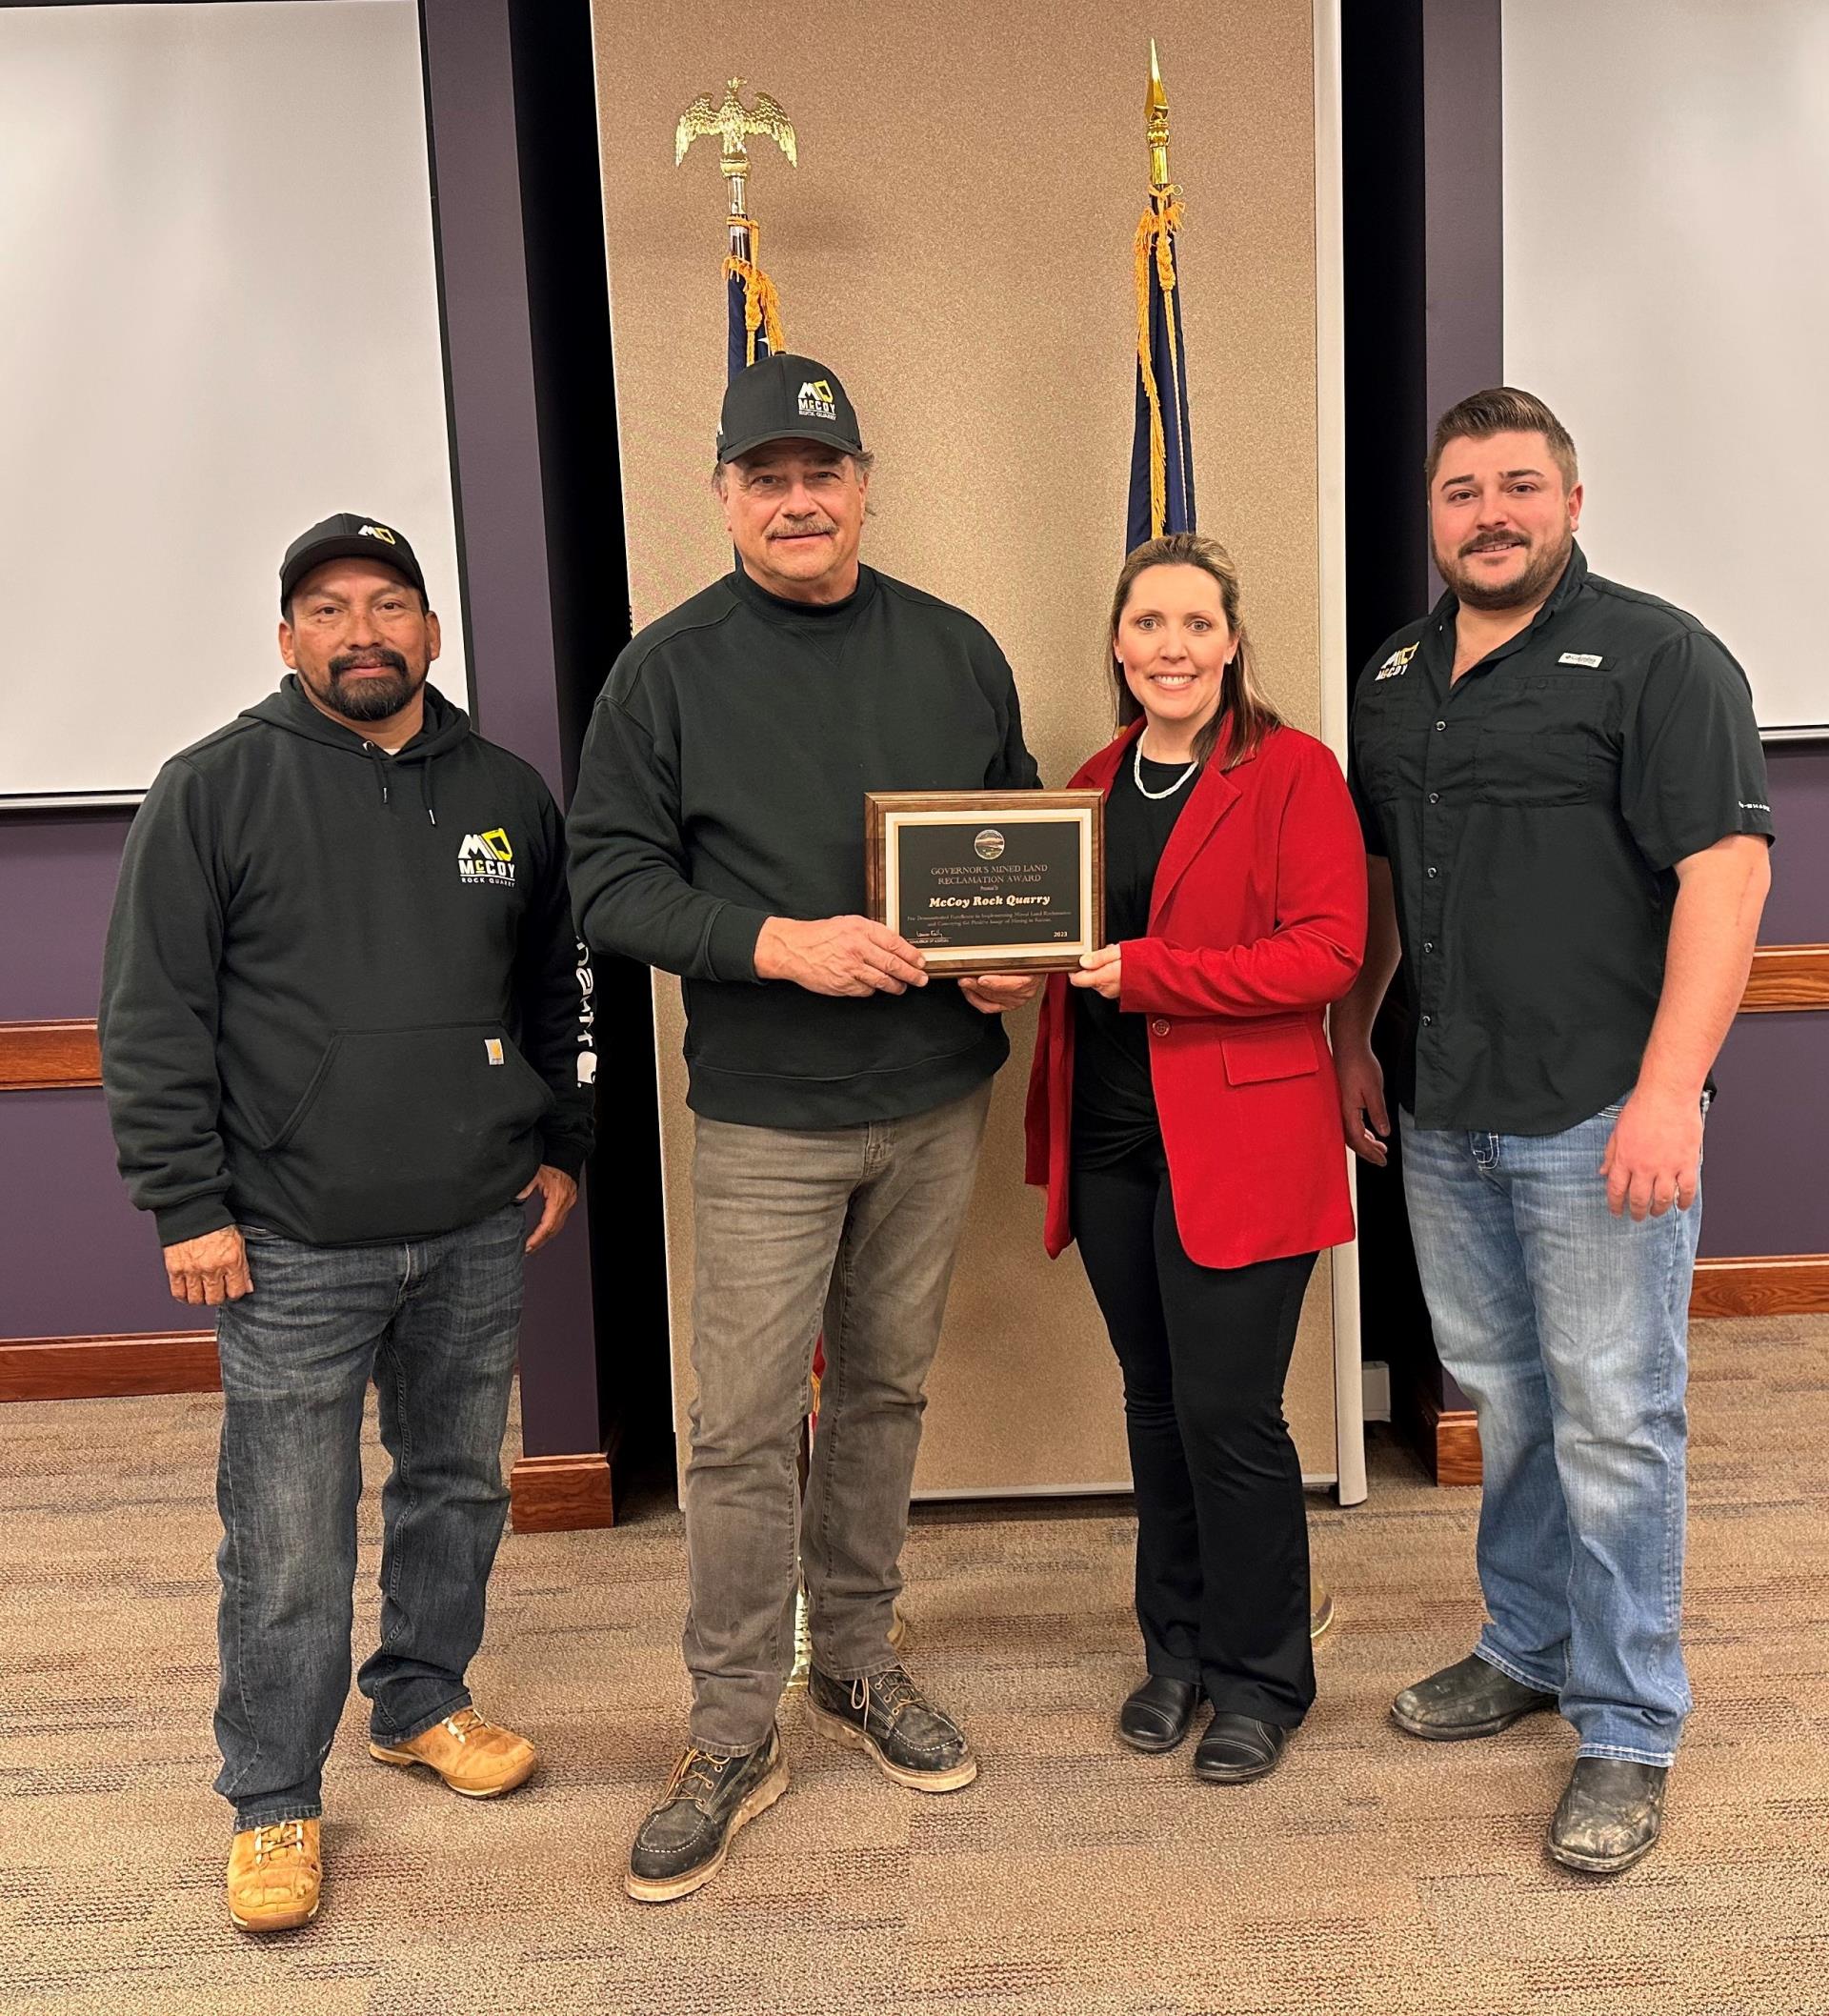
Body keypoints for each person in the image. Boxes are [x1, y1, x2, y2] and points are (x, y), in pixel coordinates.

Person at [567, 353, 1040, 1903]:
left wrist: (1007, 958)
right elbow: (608, 885)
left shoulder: (957, 652)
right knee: (743, 1422)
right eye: (763, 478)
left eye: (819, 473)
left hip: (930, 1102)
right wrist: (780, 942)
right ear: (723, 498)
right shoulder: (666, 672)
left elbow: (1023, 845)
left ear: (863, 486)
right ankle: (726, 1731)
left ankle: (853, 1658)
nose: (796, 501)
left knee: (889, 1392)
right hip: (770, 1114)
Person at [99, 514, 594, 1933]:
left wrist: (561, 1142)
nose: (360, 630)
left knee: (458, 1486)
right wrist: (186, 1203)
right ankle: (272, 1795)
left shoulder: (506, 792)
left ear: (432, 633)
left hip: (475, 1226)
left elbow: (560, 982)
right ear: (285, 640)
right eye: (327, 609)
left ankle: (422, 1699)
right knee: (287, 1533)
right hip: (291, 1238)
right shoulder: (213, 788)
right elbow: (151, 1016)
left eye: (389, 605)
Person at [1333, 388, 1773, 1873]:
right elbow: (1393, 878)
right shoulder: (1395, 671)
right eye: (1462, 492)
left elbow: (1726, 875)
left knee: (1618, 1423)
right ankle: (1524, 1645)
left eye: (1520, 486)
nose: (1490, 514)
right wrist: (1352, 1029)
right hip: (1449, 1110)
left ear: (1570, 502)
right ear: (1436, 515)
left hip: (1602, 1114)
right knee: (1509, 1404)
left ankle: (1630, 1722)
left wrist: (1668, 1091)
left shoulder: (1661, 657)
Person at [1024, 533, 1367, 1783]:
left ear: (1231, 641)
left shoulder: (1294, 773)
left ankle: (1263, 1678)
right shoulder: (1093, 777)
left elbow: (1327, 954)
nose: (1173, 646)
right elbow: (1055, 937)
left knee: (1232, 1416)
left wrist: (1161, 972)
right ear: (1120, 644)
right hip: (1114, 1133)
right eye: (1149, 624)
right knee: (1159, 1407)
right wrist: (997, 969)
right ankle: (1173, 1652)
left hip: (1246, 1138)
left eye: (1196, 624)